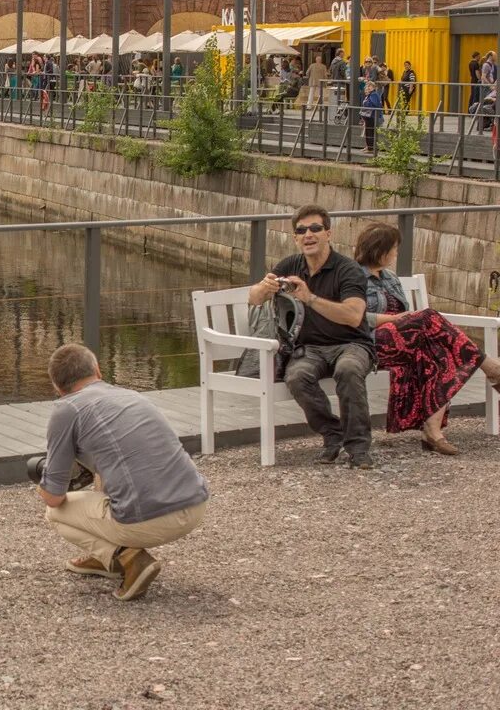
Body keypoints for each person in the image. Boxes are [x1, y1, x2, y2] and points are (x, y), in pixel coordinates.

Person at [37, 344, 208, 602]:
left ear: (58, 388)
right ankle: (104, 559)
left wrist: (42, 478)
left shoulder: (66, 409)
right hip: (196, 504)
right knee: (111, 470)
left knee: (54, 513)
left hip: (150, 519)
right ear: (98, 370)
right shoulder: (131, 396)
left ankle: (127, 558)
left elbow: (53, 497)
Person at [353, 223, 500, 456]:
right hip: (370, 343)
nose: (396, 253)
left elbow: (412, 322)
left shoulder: (390, 278)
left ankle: (432, 432)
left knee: (439, 354)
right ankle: (490, 367)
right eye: (394, 248)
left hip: (403, 342)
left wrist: (405, 321)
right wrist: (394, 319)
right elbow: (355, 316)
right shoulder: (352, 277)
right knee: (428, 316)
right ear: (380, 251)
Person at [249, 205, 375, 468]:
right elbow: (253, 299)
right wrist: (264, 288)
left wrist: (310, 298)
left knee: (349, 370)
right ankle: (332, 435)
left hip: (351, 344)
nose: (309, 235)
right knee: (297, 376)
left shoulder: (348, 270)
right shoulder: (290, 265)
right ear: (295, 238)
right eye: (301, 230)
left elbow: (354, 316)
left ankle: (359, 448)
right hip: (310, 348)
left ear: (328, 233)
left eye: (315, 228)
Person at [360, 80, 383, 153]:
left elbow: (374, 104)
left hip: (372, 116)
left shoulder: (374, 94)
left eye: (370, 86)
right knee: (368, 132)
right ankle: (368, 147)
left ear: (373, 87)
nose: (368, 88)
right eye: (368, 86)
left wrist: (367, 102)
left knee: (370, 132)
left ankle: (370, 148)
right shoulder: (369, 95)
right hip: (368, 117)